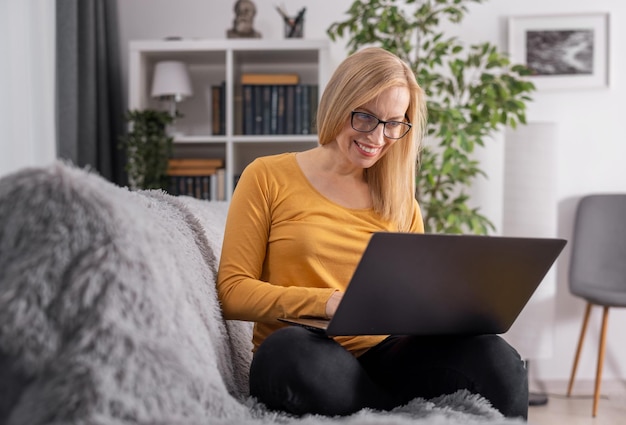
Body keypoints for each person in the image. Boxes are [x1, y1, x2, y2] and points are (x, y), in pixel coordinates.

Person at [217, 47, 528, 420]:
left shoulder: (401, 201)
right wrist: (327, 302)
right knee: (289, 354)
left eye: (394, 123)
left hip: (387, 357)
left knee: (498, 358)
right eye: (366, 117)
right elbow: (233, 291)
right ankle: (394, 411)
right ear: (338, 104)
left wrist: (452, 311)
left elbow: (413, 302)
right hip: (308, 349)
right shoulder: (267, 176)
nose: (378, 137)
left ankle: (379, 408)